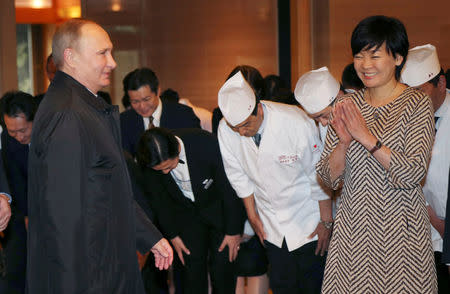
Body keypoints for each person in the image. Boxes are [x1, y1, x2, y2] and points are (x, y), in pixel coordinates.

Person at [27, 19, 173, 294]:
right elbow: (63, 220)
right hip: (91, 276)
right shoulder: (68, 114)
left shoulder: (83, 106)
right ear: (70, 57)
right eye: (102, 53)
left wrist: (148, 236)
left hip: (104, 266)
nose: (113, 62)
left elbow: (107, 189)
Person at [316, 15, 437, 293]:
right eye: (359, 56)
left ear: (397, 58)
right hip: (353, 234)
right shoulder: (347, 105)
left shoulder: (417, 104)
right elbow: (326, 177)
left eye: (374, 56)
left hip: (402, 234)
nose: (365, 65)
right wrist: (344, 144)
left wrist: (365, 136)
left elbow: (413, 172)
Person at [218, 69, 332, 294]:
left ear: (258, 108)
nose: (241, 132)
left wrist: (326, 221)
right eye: (236, 128)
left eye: (245, 126)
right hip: (271, 224)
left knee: (314, 286)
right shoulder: (226, 129)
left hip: (309, 218)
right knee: (282, 285)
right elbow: (239, 177)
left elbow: (318, 175)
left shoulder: (296, 122)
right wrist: (252, 215)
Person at [136, 127, 246, 294]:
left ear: (176, 150)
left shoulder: (205, 143)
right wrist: (172, 234)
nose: (165, 172)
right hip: (185, 217)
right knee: (191, 273)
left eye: (168, 166)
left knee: (223, 269)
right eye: (160, 170)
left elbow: (229, 188)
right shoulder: (150, 161)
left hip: (219, 211)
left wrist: (234, 231)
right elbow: (159, 201)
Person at [401, 44, 450, 293]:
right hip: (419, 236)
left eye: (419, 93)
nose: (413, 104)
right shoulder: (404, 118)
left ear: (440, 83)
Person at [120, 68, 201, 156]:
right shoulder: (124, 121)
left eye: (146, 99)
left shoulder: (184, 115)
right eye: (135, 102)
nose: (142, 106)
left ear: (158, 91)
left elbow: (196, 151)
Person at [294, 66, 344, 143]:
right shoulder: (324, 125)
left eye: (325, 116)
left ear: (340, 97)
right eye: (316, 119)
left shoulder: (365, 111)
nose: (323, 123)